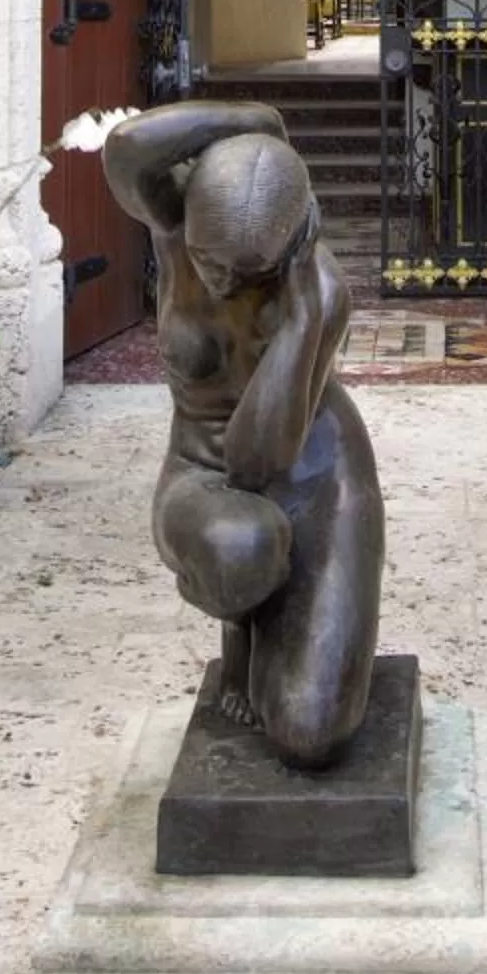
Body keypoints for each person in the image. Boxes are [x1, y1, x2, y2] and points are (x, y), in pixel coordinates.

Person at [104, 99, 382, 770]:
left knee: (310, 734)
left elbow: (261, 462)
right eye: (209, 258)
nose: (219, 278)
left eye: (243, 270)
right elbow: (129, 145)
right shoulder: (175, 231)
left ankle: (279, 627)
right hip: (203, 477)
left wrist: (301, 323)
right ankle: (246, 611)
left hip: (317, 474)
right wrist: (256, 121)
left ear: (290, 247)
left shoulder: (317, 296)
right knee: (244, 545)